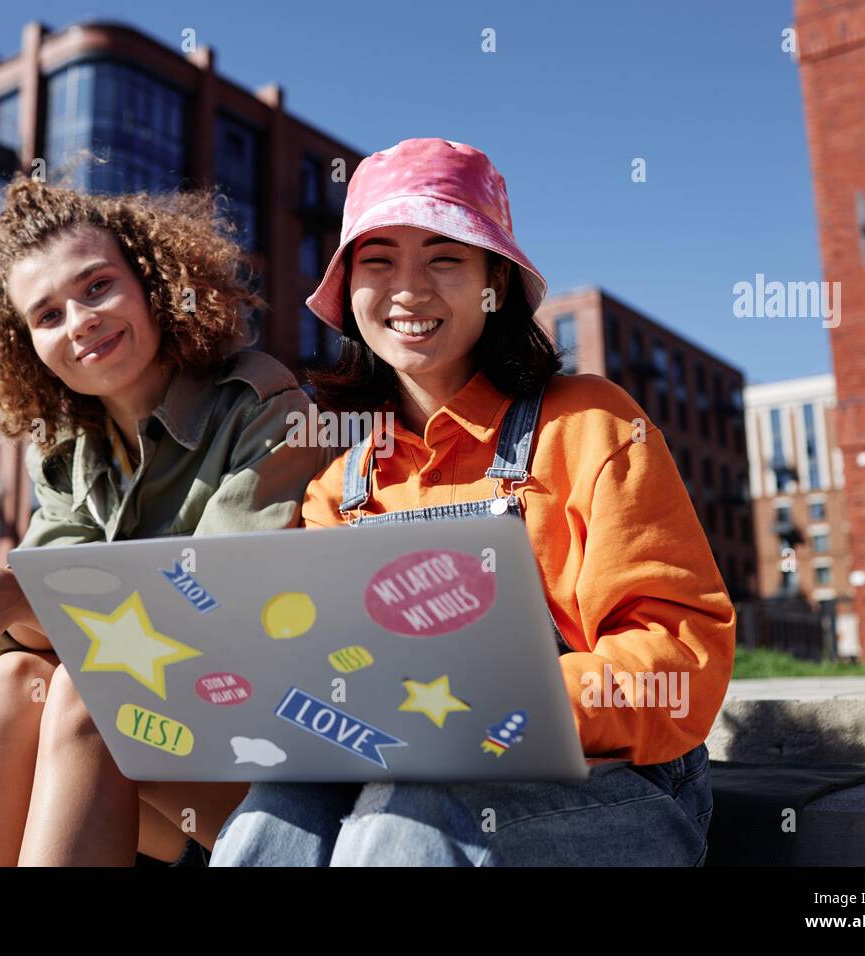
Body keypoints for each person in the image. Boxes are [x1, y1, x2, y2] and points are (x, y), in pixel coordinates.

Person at [209, 138, 735, 866]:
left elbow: (682, 657)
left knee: (410, 823)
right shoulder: (340, 487)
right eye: (378, 258)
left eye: (445, 258)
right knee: (271, 822)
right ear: (349, 288)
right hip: (400, 779)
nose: (408, 289)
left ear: (497, 281)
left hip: (619, 790)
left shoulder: (591, 423)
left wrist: (505, 712)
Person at [0, 176, 331, 865]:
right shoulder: (65, 453)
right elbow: (27, 641)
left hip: (264, 764)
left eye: (96, 287)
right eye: (47, 315)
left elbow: (231, 610)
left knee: (94, 690)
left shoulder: (259, 401)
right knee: (13, 682)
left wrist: (19, 596)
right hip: (141, 779)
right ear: (28, 345)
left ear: (153, 283)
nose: (79, 320)